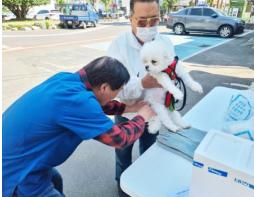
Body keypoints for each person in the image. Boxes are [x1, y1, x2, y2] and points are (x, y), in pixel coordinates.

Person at [2, 56, 156, 197]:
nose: (117, 95)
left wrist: (128, 108)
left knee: (55, 179)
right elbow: (119, 138)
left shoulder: (65, 80)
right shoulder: (77, 101)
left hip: (19, 154)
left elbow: (93, 105)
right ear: (104, 88)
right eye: (117, 91)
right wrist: (141, 117)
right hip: (18, 172)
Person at [107, 0, 175, 196]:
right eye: (142, 21)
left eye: (154, 20)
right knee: (123, 154)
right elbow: (116, 91)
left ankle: (144, 188)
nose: (148, 27)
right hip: (127, 114)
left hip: (154, 113)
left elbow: (173, 72)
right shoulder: (118, 46)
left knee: (150, 153)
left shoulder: (165, 43)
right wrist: (142, 83)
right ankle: (123, 188)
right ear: (130, 20)